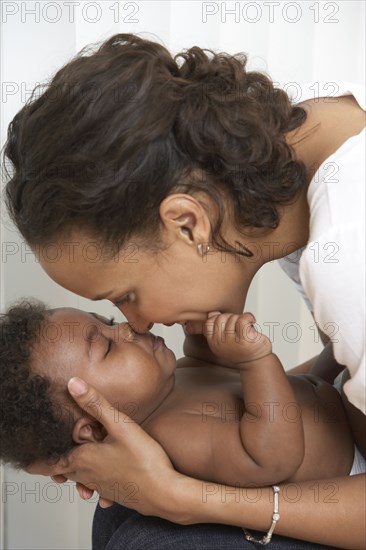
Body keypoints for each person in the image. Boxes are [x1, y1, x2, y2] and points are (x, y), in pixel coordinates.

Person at [2, 33, 365, 549]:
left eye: (124, 295)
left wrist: (182, 499)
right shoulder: (296, 139)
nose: (138, 323)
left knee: (146, 536)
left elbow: (275, 445)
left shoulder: (351, 258)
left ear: (188, 224)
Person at [1, 301, 360, 485]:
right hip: (354, 460)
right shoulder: (172, 436)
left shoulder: (172, 384)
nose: (126, 328)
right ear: (94, 427)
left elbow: (210, 365)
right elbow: (272, 457)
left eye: (108, 322)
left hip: (335, 398)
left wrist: (199, 324)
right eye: (108, 348)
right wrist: (255, 363)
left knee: (349, 334)